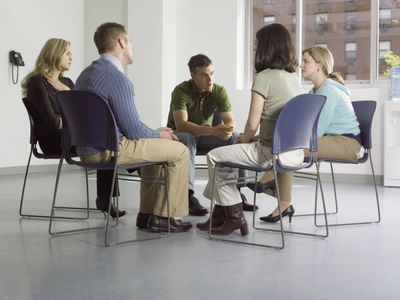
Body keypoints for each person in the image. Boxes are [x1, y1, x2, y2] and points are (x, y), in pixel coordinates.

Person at [74, 22, 192, 232]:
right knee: (180, 151)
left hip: (86, 150)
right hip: (110, 149)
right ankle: (165, 216)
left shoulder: (86, 74)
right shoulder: (116, 77)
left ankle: (148, 215)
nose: (132, 47)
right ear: (121, 42)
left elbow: (127, 126)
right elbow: (134, 131)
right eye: (131, 41)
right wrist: (159, 134)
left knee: (156, 150)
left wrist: (155, 135)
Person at [197, 23, 303, 236]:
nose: (255, 48)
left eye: (257, 44)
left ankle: (234, 218)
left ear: (267, 47)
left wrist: (243, 140)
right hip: (293, 152)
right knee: (227, 166)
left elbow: (251, 124)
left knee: (214, 157)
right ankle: (219, 213)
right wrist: (252, 138)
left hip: (267, 153)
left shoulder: (264, 78)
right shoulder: (294, 79)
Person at [253, 45, 362, 223]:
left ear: (319, 65)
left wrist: (289, 137)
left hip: (348, 143)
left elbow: (315, 130)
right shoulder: (314, 92)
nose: (301, 65)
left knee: (290, 148)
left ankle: (269, 182)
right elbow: (303, 126)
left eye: (306, 61)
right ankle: (280, 198)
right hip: (332, 139)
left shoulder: (329, 91)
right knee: (288, 147)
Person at [21, 38, 126, 219]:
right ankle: (106, 198)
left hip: (74, 136)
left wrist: (64, 89)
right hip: (54, 141)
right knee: (103, 141)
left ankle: (105, 198)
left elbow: (84, 111)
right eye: (67, 53)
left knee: (107, 140)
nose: (72, 57)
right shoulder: (37, 83)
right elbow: (53, 123)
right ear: (54, 54)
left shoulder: (67, 82)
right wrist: (76, 121)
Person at [166, 54, 257, 216]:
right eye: (204, 75)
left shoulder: (218, 90)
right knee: (187, 136)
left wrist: (226, 130)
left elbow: (229, 120)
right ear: (193, 76)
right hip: (179, 137)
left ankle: (236, 195)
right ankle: (188, 196)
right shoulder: (181, 90)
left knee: (236, 137)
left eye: (212, 73)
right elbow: (181, 124)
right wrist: (213, 130)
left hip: (205, 137)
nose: (210, 79)